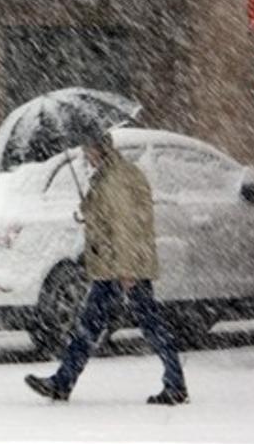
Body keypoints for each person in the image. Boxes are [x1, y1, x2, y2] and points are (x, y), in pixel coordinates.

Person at [24, 121, 188, 405]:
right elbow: (109, 218)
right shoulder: (110, 176)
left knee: (146, 324)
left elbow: (126, 226)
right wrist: (89, 208)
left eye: (87, 150)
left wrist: (127, 269)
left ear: (98, 148)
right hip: (113, 265)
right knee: (92, 325)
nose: (85, 156)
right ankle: (63, 382)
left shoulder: (116, 179)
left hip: (122, 267)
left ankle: (175, 385)